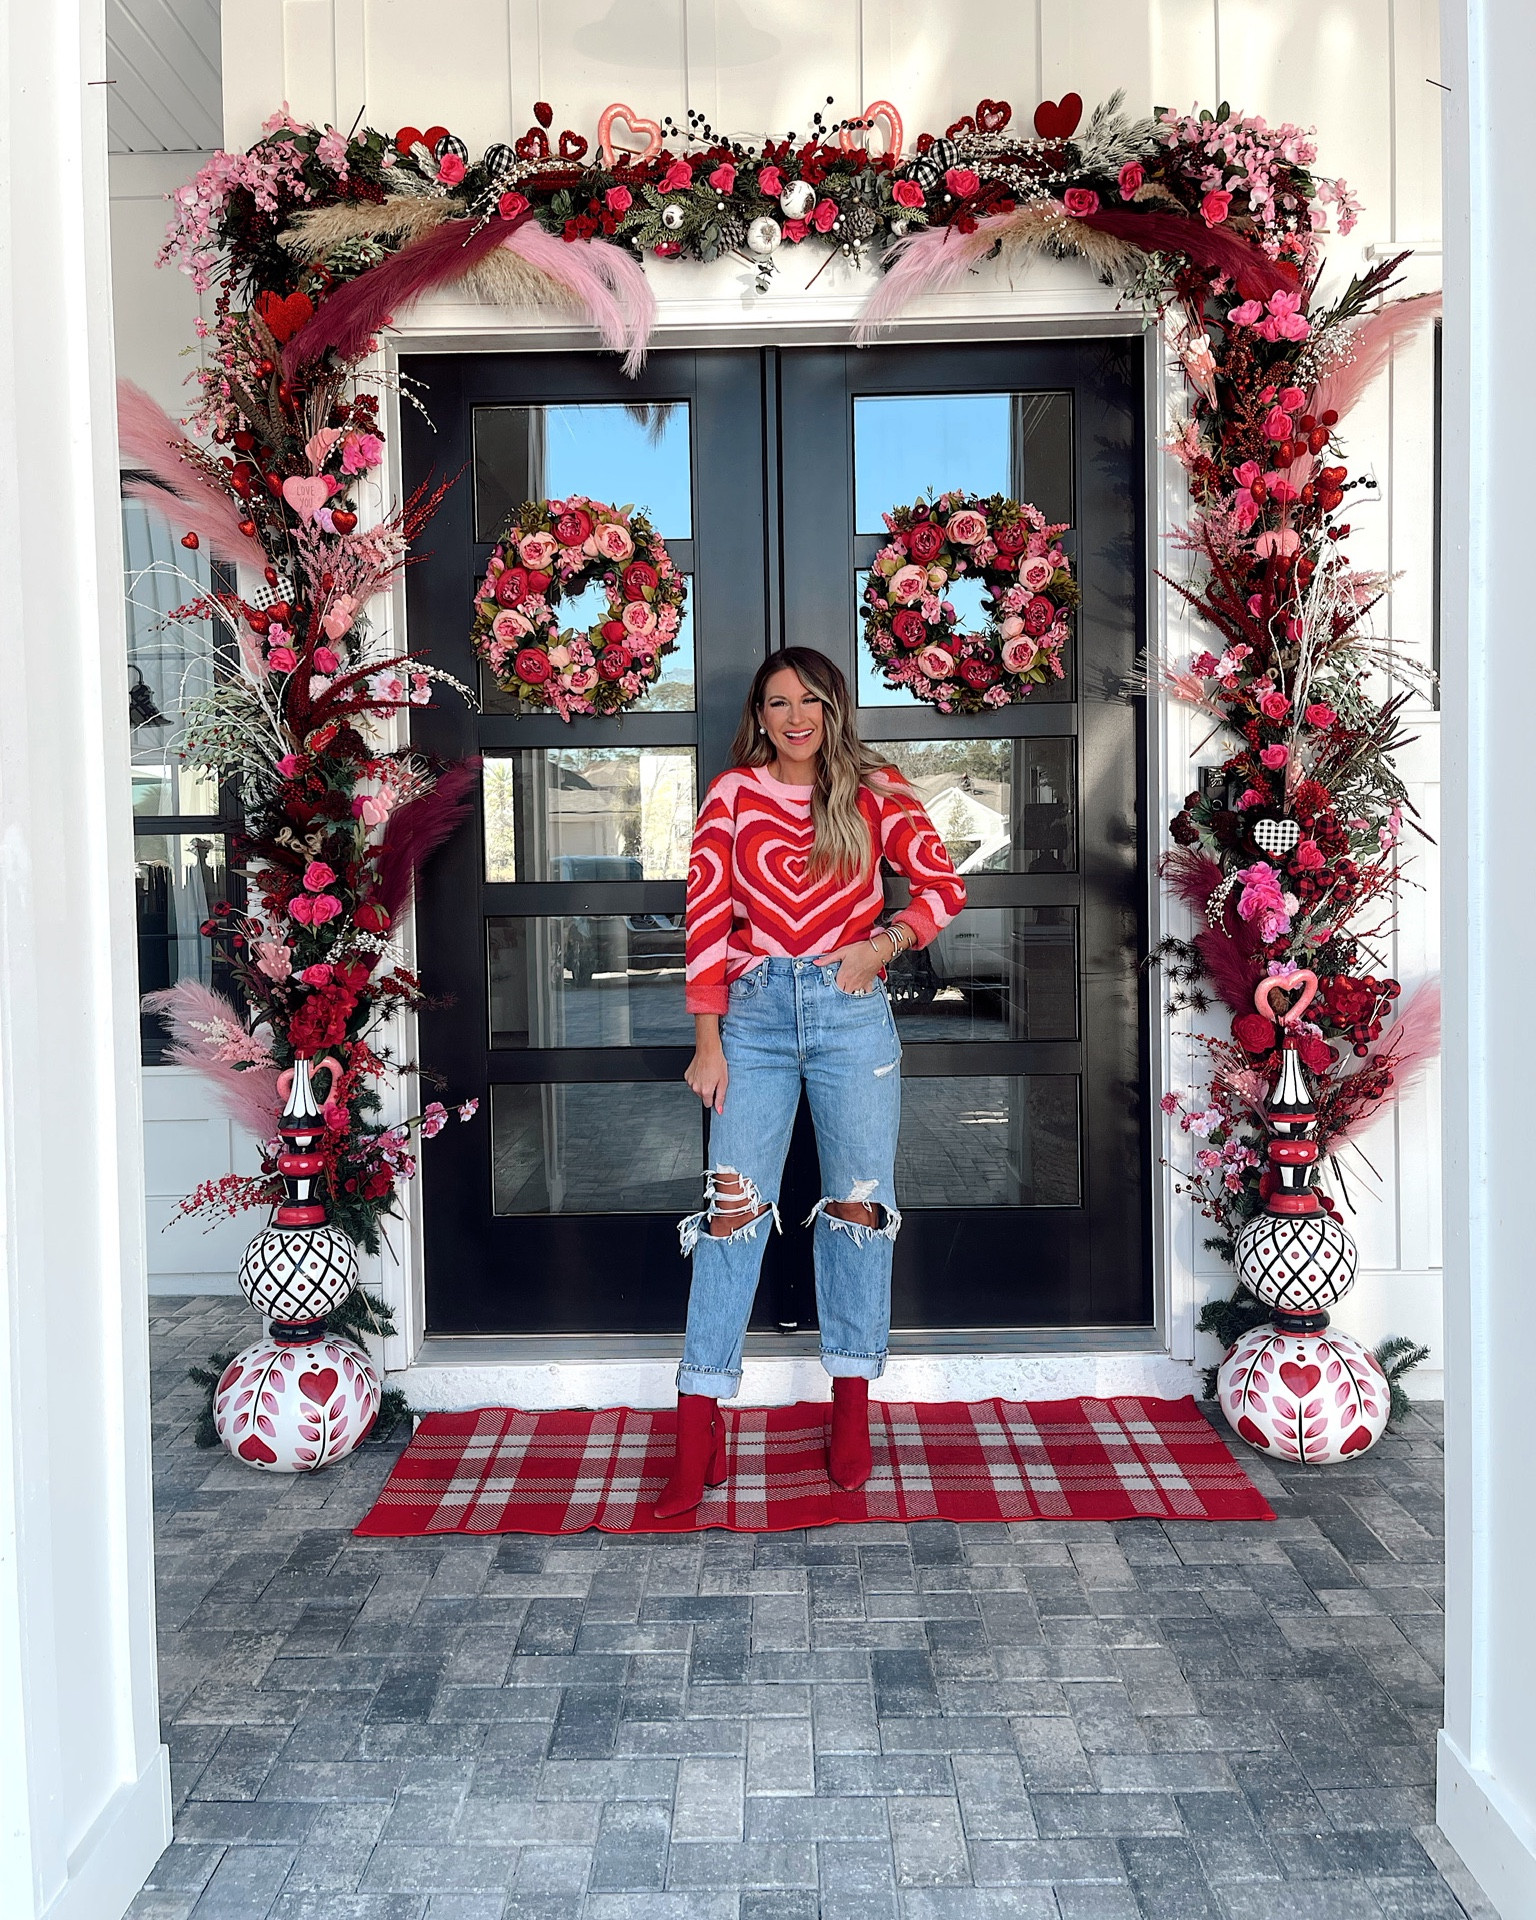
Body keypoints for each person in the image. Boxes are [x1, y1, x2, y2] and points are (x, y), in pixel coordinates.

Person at [655, 647, 966, 1519]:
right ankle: (698, 1423)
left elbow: (943, 888)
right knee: (730, 1212)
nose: (796, 718)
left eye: (811, 701)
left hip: (850, 1015)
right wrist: (706, 1042)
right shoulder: (732, 795)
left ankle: (851, 1409)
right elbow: (706, 920)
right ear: (759, 714)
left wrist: (881, 946)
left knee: (859, 1209)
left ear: (833, 708)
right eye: (777, 702)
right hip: (749, 1021)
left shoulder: (878, 788)